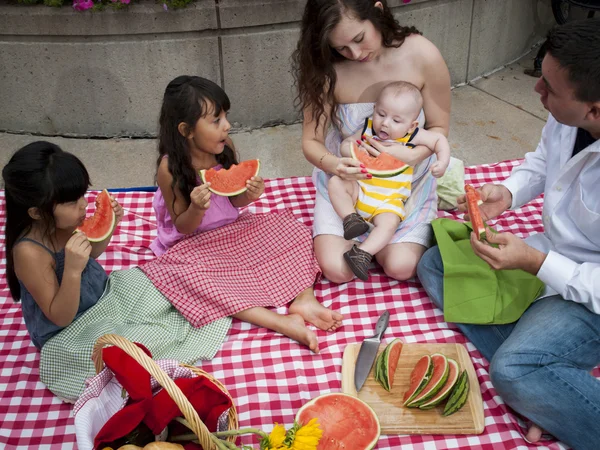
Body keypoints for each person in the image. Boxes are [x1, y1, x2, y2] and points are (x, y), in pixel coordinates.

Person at [417, 18, 600, 450]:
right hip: (551, 260)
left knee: (513, 371)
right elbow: (541, 162)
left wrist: (536, 263)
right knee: (435, 263)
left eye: (550, 89)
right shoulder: (568, 117)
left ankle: (535, 378)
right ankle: (547, 385)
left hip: (590, 293)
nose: (537, 90)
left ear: (594, 109)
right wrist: (508, 192)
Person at [151, 75, 343, 353]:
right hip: (192, 245)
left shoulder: (223, 149)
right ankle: (280, 322)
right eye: (216, 121)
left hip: (233, 230)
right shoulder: (169, 169)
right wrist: (196, 208)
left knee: (292, 229)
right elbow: (183, 227)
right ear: (187, 130)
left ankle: (304, 298)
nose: (227, 126)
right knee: (187, 278)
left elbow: (233, 200)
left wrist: (249, 195)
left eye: (225, 116)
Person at [293, 0, 451, 283]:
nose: (354, 54)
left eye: (359, 39)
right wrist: (336, 165)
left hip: (402, 186)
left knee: (400, 267)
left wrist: (413, 156)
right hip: (349, 184)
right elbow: (311, 141)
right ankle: (358, 231)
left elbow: (439, 127)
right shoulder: (325, 70)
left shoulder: (422, 54)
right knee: (337, 271)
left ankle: (376, 245)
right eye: (341, 48)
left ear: (377, 11)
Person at [3, 141, 124, 349]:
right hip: (64, 334)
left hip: (95, 304)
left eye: (82, 195)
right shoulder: (29, 253)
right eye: (71, 202)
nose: (84, 204)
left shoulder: (66, 222)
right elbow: (60, 317)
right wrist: (72, 271)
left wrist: (110, 224)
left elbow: (91, 252)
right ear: (37, 212)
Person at [328, 81, 450, 280]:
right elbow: (349, 142)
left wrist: (443, 161)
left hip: (388, 201)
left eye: (396, 120)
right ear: (374, 110)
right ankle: (350, 219)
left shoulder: (412, 136)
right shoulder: (367, 129)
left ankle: (361, 254)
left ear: (412, 125)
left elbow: (439, 140)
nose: (385, 123)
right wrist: (351, 149)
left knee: (389, 223)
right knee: (336, 183)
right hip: (359, 190)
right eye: (381, 114)